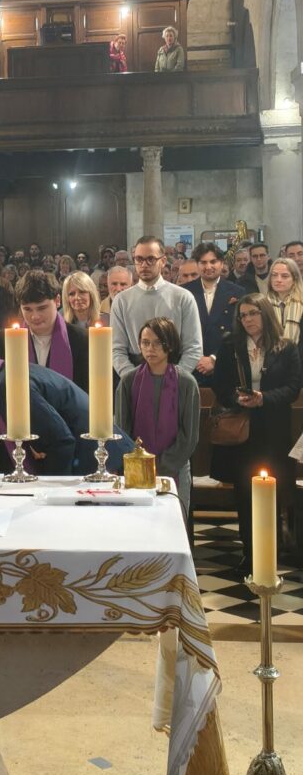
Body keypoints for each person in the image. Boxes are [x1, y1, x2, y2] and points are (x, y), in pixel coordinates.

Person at [0, 348, 134, 477]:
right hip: (93, 456)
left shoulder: (7, 384)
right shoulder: (3, 374)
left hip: (103, 463)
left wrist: (49, 492)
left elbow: (61, 440)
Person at [211, 294, 302, 572]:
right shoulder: (231, 345)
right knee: (245, 494)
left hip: (273, 430)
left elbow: (293, 387)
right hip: (243, 431)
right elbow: (220, 384)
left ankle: (271, 553)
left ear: (265, 313)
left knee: (273, 492)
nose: (248, 320)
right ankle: (250, 553)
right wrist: (237, 398)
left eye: (253, 313)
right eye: (243, 315)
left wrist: (265, 398)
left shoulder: (285, 347)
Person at [115, 318, 200, 515]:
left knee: (173, 524)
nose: (150, 348)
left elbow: (189, 436)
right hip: (135, 470)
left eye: (157, 343)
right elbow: (121, 430)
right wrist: (138, 464)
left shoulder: (186, 383)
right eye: (145, 343)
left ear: (169, 345)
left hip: (175, 469)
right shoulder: (129, 381)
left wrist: (162, 466)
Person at [111, 236, 202, 377]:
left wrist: (175, 377)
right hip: (135, 373)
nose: (144, 264)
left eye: (151, 259)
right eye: (139, 259)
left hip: (175, 373)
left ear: (163, 261)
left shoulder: (183, 297)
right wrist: (132, 378)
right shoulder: (121, 300)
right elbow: (116, 350)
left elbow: (193, 348)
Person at [0, 270, 89, 392]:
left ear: (57, 301)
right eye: (27, 309)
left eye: (42, 308)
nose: (35, 316)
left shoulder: (82, 340)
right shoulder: (2, 341)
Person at [182, 242, 244, 386]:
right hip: (191, 366)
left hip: (225, 365)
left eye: (213, 261)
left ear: (221, 264)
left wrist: (214, 358)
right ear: (197, 264)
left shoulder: (237, 292)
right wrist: (197, 359)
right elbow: (179, 330)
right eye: (203, 262)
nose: (208, 266)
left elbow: (239, 331)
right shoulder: (184, 292)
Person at [266, 257, 303, 360]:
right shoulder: (263, 303)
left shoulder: (301, 303)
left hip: (298, 360)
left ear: (294, 279)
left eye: (285, 276)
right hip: (270, 361)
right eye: (274, 275)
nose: (278, 280)